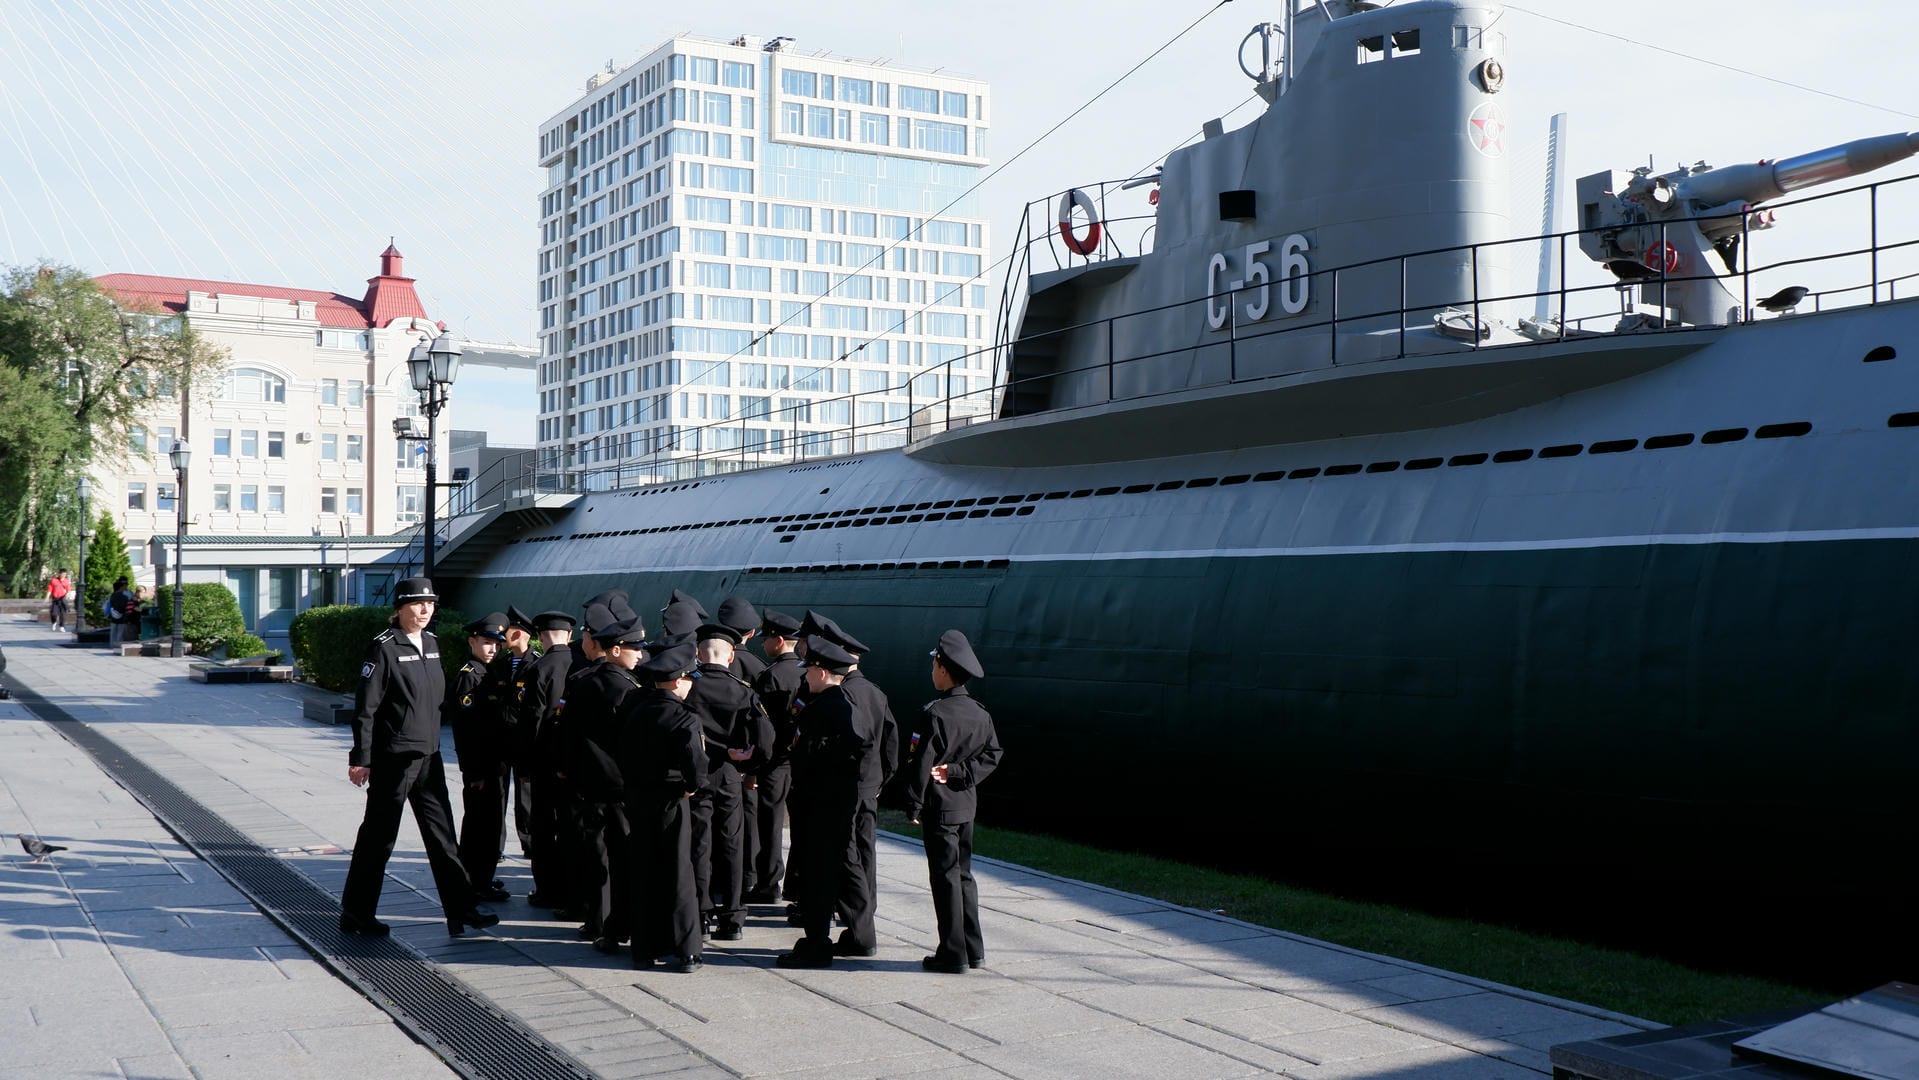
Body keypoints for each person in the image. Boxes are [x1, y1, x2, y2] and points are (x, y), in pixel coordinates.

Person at [340, 577, 498, 937]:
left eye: (430, 604)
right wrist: (360, 757)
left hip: (428, 756)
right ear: (400, 608)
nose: (425, 610)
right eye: (417, 604)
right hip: (394, 758)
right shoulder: (383, 648)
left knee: (443, 836)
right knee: (379, 838)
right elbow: (366, 708)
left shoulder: (432, 642)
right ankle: (356, 912)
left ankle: (462, 909)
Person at [904, 630, 1002, 973]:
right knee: (964, 877)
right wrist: (961, 771)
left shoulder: (934, 714)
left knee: (944, 879)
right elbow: (993, 754)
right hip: (966, 806)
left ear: (943, 669)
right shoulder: (980, 713)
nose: (932, 670)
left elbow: (920, 765)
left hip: (940, 808)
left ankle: (952, 953)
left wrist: (913, 804)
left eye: (934, 663)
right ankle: (974, 950)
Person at [616, 641, 708, 973]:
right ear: (678, 680)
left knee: (643, 870)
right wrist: (692, 787)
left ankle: (644, 949)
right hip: (672, 800)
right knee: (678, 872)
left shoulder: (635, 710)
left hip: (639, 799)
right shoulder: (684, 718)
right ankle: (686, 950)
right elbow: (697, 768)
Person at [776, 637, 863, 970]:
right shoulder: (837, 705)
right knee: (819, 874)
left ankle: (816, 944)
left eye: (810, 669)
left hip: (820, 808)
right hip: (829, 806)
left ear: (823, 673)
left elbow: (812, 758)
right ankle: (815, 939)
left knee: (817, 877)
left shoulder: (825, 709)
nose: (806, 676)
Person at [685, 623, 772, 941]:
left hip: (695, 776)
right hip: (728, 776)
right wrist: (750, 765)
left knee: (699, 843)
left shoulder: (688, 688)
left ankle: (700, 909)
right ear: (731, 655)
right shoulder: (743, 690)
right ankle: (733, 915)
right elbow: (765, 739)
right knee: (733, 844)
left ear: (698, 653)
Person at [566, 615, 647, 953]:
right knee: (623, 855)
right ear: (616, 650)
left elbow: (567, 733)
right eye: (635, 648)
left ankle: (596, 919)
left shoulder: (583, 680)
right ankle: (618, 921)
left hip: (588, 780)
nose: (640, 655)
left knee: (594, 851)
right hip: (619, 784)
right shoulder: (628, 689)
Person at [514, 609, 577, 913]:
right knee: (569, 825)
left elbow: (531, 721)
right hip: (572, 759)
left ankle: (546, 889)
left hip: (543, 759)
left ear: (540, 637)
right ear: (570, 635)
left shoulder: (539, 669)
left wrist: (524, 764)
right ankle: (571, 887)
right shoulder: (581, 663)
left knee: (542, 826)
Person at [449, 612, 512, 903]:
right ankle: (474, 881)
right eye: (487, 643)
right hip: (481, 768)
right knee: (479, 826)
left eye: (497, 645)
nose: (493, 649)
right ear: (472, 641)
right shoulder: (468, 677)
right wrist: (473, 772)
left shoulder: (489, 673)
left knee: (490, 824)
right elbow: (465, 731)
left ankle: (483, 877)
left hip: (494, 764)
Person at [744, 610, 804, 905]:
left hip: (774, 762)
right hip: (800, 762)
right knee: (803, 825)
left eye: (767, 638)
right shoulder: (807, 673)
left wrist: (754, 766)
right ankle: (797, 883)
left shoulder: (770, 678)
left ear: (778, 641)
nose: (764, 643)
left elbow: (762, 729)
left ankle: (768, 882)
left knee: (770, 823)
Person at [107, 577, 134, 646]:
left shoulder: (112, 595)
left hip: (113, 616)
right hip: (122, 617)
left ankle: (112, 645)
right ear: (121, 587)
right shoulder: (125, 596)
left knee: (113, 633)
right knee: (120, 633)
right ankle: (118, 645)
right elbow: (127, 606)